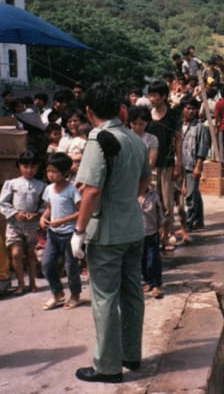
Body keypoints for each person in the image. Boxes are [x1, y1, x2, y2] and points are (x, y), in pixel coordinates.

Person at [72, 82, 151, 383]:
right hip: (132, 225)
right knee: (132, 294)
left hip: (106, 231)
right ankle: (131, 354)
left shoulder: (99, 139)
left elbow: (91, 190)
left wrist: (79, 231)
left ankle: (107, 366)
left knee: (104, 297)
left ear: (89, 111)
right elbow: (144, 181)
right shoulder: (134, 138)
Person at [0, 150, 46, 295]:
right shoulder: (11, 183)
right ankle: (21, 283)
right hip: (15, 224)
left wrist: (37, 214)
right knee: (16, 253)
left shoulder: (41, 185)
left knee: (31, 255)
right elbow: (3, 202)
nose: (29, 170)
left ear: (38, 167)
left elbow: (45, 204)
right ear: (19, 166)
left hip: (31, 225)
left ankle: (32, 283)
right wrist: (15, 213)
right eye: (25, 166)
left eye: (33, 167)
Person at [39, 153, 82, 310]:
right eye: (49, 170)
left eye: (55, 171)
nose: (51, 174)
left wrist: (62, 221)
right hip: (53, 234)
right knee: (47, 263)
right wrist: (43, 218)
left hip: (69, 234)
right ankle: (57, 293)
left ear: (65, 173)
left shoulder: (72, 190)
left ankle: (75, 294)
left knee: (70, 267)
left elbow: (80, 211)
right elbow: (49, 208)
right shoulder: (49, 189)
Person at [147, 79, 183, 249]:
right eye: (150, 95)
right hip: (151, 165)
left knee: (168, 204)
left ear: (163, 96)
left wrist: (179, 163)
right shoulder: (147, 116)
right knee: (154, 202)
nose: (152, 98)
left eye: (155, 95)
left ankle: (167, 236)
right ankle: (156, 237)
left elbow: (178, 140)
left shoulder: (173, 116)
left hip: (168, 164)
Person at [180, 95, 210, 232]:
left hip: (192, 164)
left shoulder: (200, 127)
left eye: (193, 109)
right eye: (188, 108)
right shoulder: (179, 126)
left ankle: (189, 223)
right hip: (180, 164)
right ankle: (199, 220)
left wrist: (198, 166)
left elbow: (202, 148)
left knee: (190, 195)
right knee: (195, 193)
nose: (191, 111)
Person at [139, 185, 164, 299]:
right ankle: (148, 282)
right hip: (138, 235)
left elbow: (160, 212)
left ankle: (156, 285)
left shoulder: (153, 195)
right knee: (142, 260)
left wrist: (162, 227)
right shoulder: (133, 194)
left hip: (152, 232)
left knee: (153, 259)